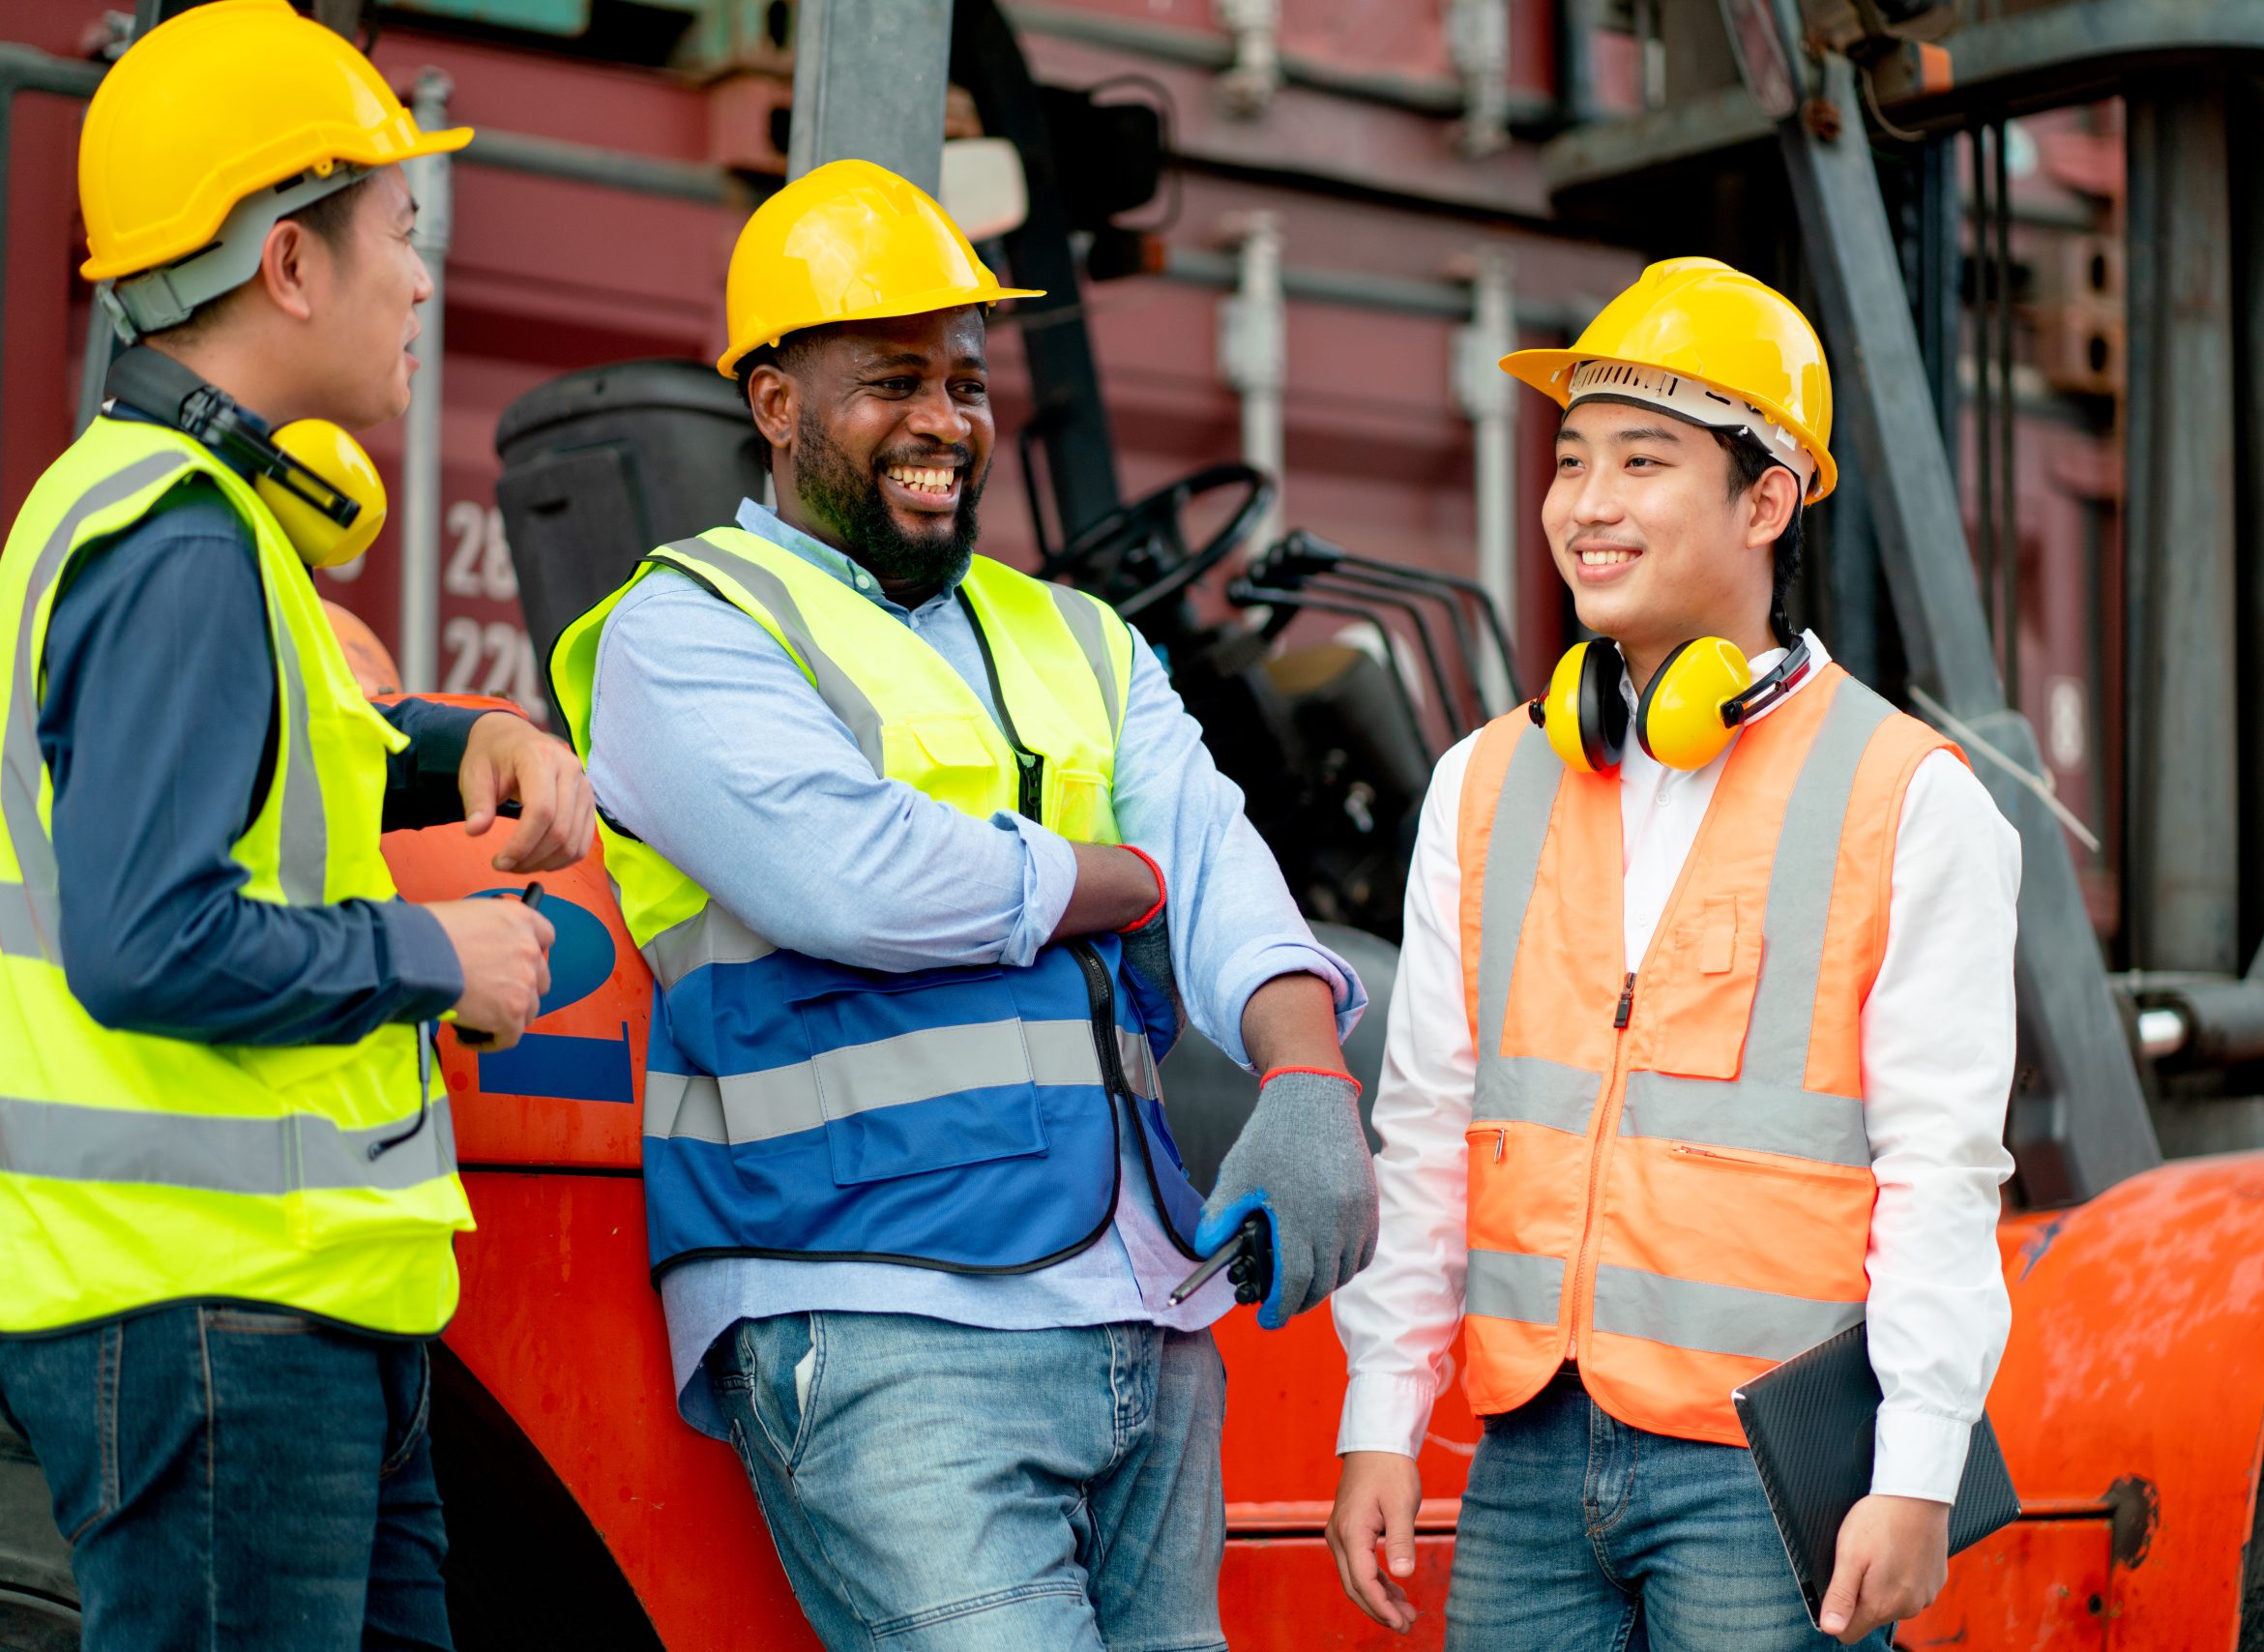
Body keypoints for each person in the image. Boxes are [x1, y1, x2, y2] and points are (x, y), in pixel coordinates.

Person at [546, 157, 1378, 1652]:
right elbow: (850, 877)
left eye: (968, 382)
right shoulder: (686, 631)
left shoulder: (1081, 637)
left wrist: (1306, 1062)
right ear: (776, 402)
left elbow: (1219, 854)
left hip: (1144, 1308)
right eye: (891, 382)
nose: (945, 421)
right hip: (881, 1318)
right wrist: (1106, 882)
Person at [0, 4, 594, 1645]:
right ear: (286, 264)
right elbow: (147, 942)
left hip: (280, 1313)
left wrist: (451, 748)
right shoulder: (180, 549)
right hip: (211, 1315)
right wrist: (437, 956)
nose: (421, 278)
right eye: (402, 234)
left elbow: (276, 769)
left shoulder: (194, 525)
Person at [1322, 258, 2019, 1650]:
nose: (1587, 503)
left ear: (1767, 499)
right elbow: (1425, 1127)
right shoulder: (1483, 784)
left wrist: (1918, 1464)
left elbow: (1941, 1164)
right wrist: (1379, 1416)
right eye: (1572, 459)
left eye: (1644, 461)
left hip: (1766, 1474)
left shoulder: (1908, 795)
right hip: (1524, 1448)